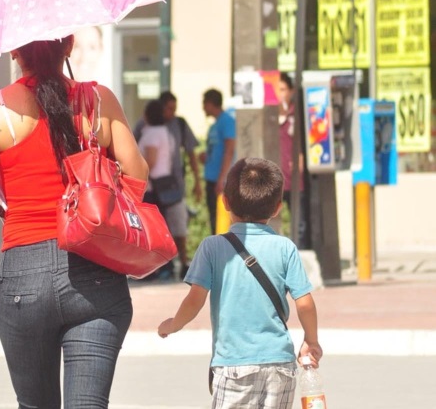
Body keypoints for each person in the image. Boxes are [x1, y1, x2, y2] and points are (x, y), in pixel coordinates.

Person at [0, 35, 148, 408]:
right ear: (70, 45)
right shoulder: (98, 101)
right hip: (94, 264)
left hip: (23, 272)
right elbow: (137, 176)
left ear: (14, 50)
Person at [158, 157, 323, 409]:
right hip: (280, 364)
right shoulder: (285, 248)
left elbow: (195, 300)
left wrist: (173, 324)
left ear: (225, 201)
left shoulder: (212, 247)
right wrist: (311, 341)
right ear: (278, 207)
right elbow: (305, 304)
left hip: (234, 364)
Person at [134, 91, 202, 279]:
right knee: (161, 226)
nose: (172, 113)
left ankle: (177, 263)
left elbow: (190, 153)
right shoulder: (147, 127)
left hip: (170, 185)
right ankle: (166, 265)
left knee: (175, 226)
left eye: (174, 109)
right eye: (169, 109)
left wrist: (197, 180)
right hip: (159, 186)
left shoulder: (177, 125)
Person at [278, 72, 311, 250]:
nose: (279, 94)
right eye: (276, 90)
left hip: (293, 178)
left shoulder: (297, 115)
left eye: (282, 89)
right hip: (274, 178)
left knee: (298, 220)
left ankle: (300, 251)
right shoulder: (268, 118)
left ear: (290, 92)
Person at [199, 88, 236, 235]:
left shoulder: (227, 121)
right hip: (211, 178)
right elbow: (216, 150)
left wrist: (222, 178)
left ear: (210, 103)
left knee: (222, 221)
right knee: (214, 220)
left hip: (220, 181)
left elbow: (229, 149)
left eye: (204, 103)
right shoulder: (214, 125)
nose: (203, 108)